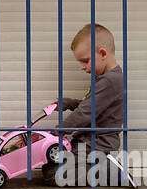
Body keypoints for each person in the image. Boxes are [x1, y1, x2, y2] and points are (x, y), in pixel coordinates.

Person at [53, 23, 123, 153]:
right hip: (89, 142)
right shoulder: (107, 79)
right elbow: (93, 106)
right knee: (51, 167)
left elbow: (86, 112)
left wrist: (57, 131)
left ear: (102, 53)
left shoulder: (110, 80)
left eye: (85, 61)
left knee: (56, 171)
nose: (82, 67)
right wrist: (69, 103)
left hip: (97, 146)